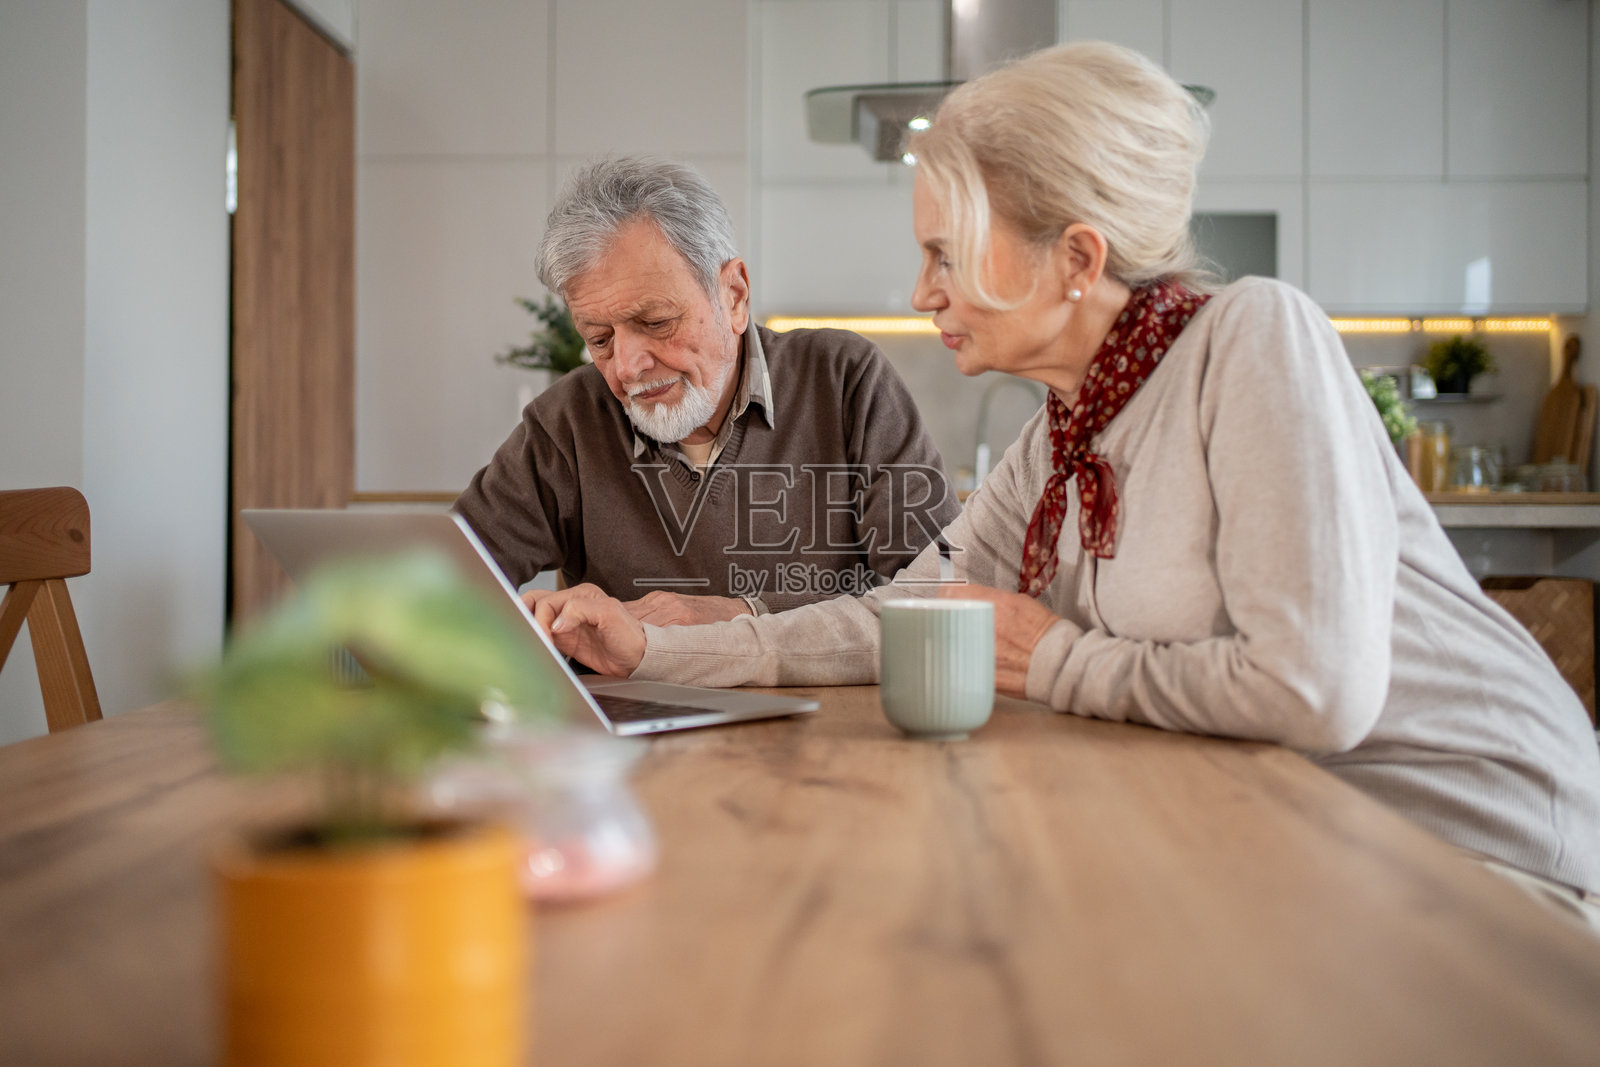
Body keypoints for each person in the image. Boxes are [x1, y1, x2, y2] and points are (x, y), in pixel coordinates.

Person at [525, 43, 1600, 922]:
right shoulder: (1063, 432)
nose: (920, 290)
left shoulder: (1253, 337)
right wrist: (655, 646)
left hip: (1493, 862)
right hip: (1320, 839)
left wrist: (1052, 656)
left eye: (947, 256)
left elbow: (1314, 690)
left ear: (1075, 259)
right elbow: (901, 616)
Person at [455, 157, 959, 626]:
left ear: (734, 296)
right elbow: (438, 589)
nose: (628, 366)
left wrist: (737, 617)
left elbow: (942, 598)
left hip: (831, 715)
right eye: (600, 340)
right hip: (637, 718)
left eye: (655, 322)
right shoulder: (567, 423)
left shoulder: (846, 380)